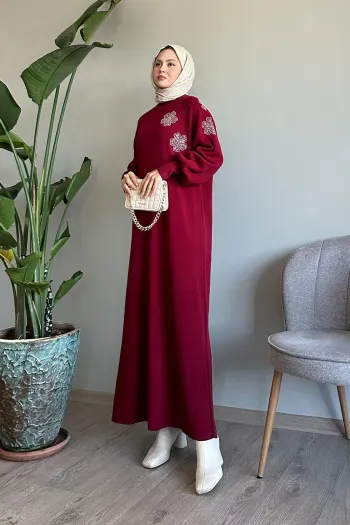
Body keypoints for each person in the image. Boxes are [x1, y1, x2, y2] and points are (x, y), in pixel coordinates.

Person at [112, 45, 224, 495]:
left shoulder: (196, 111)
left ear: (185, 69)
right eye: (157, 63)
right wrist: (129, 175)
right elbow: (143, 166)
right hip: (149, 232)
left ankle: (207, 444)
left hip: (184, 236)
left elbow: (210, 157)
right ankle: (165, 427)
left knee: (185, 327)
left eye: (170, 63)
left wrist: (169, 167)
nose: (161, 70)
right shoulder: (143, 121)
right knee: (152, 323)